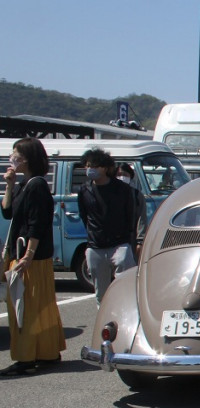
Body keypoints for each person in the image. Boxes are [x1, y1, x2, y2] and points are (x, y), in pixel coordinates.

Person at [2, 138, 66, 375]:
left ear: (26, 159)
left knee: (24, 308)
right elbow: (8, 213)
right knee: (39, 306)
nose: (11, 158)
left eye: (15, 154)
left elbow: (36, 224)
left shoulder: (36, 186)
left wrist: (27, 256)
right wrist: (9, 185)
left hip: (30, 257)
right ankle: (47, 352)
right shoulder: (23, 185)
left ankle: (26, 357)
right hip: (31, 256)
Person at [77, 147, 139, 303]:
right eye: (87, 165)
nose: (89, 169)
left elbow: (130, 215)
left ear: (105, 167)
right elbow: (84, 215)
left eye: (94, 166)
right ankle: (103, 322)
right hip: (95, 245)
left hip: (120, 244)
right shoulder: (84, 190)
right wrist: (92, 234)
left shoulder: (122, 189)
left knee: (125, 286)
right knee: (100, 293)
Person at [116, 162, 148, 259]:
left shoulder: (137, 195)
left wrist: (140, 241)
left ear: (131, 176)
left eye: (125, 175)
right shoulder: (110, 194)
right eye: (119, 175)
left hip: (131, 239)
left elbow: (142, 219)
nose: (122, 177)